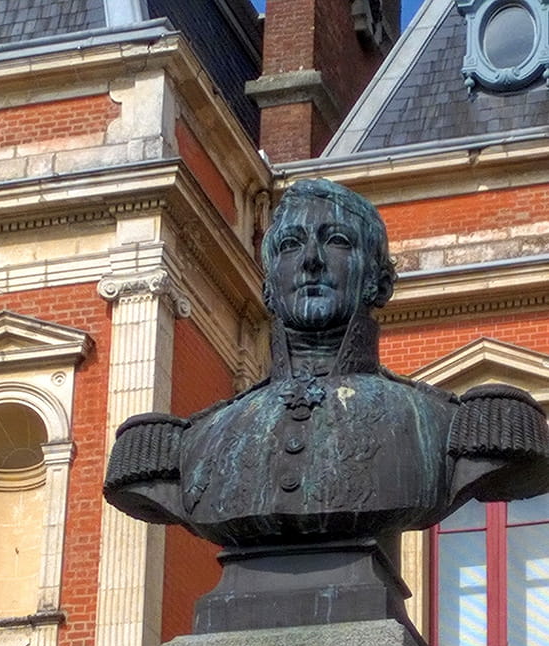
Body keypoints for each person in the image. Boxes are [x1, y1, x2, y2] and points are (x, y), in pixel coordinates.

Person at [104, 179, 549, 552]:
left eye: (337, 241)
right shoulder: (183, 448)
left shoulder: (456, 429)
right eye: (291, 245)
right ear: (268, 287)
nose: (312, 260)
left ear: (380, 281)